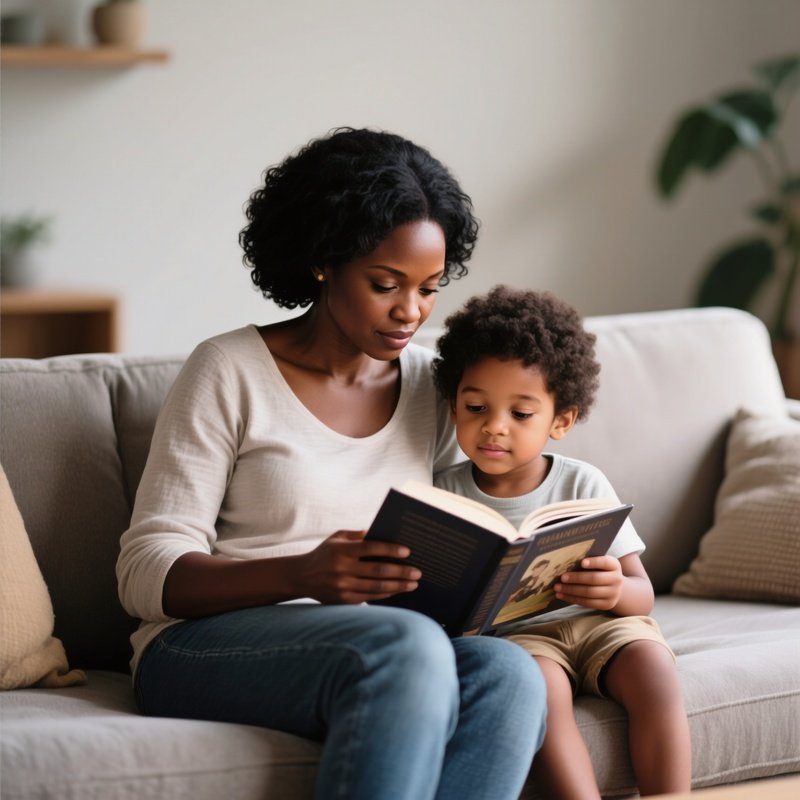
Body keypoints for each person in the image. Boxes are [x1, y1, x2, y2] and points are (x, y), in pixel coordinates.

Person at [116, 129, 547, 800]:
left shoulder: (435, 387)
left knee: (508, 674)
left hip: (384, 638)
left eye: (430, 288)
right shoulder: (229, 370)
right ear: (323, 261)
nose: (411, 311)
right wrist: (305, 573)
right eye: (386, 284)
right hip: (201, 647)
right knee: (406, 649)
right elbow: (144, 575)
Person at [432, 285, 692, 799]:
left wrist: (613, 589)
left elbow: (643, 595)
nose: (494, 428)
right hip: (518, 643)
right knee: (538, 694)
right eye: (476, 406)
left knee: (654, 667)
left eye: (520, 414)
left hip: (598, 627)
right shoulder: (443, 492)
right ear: (452, 405)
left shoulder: (583, 483)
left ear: (561, 420)